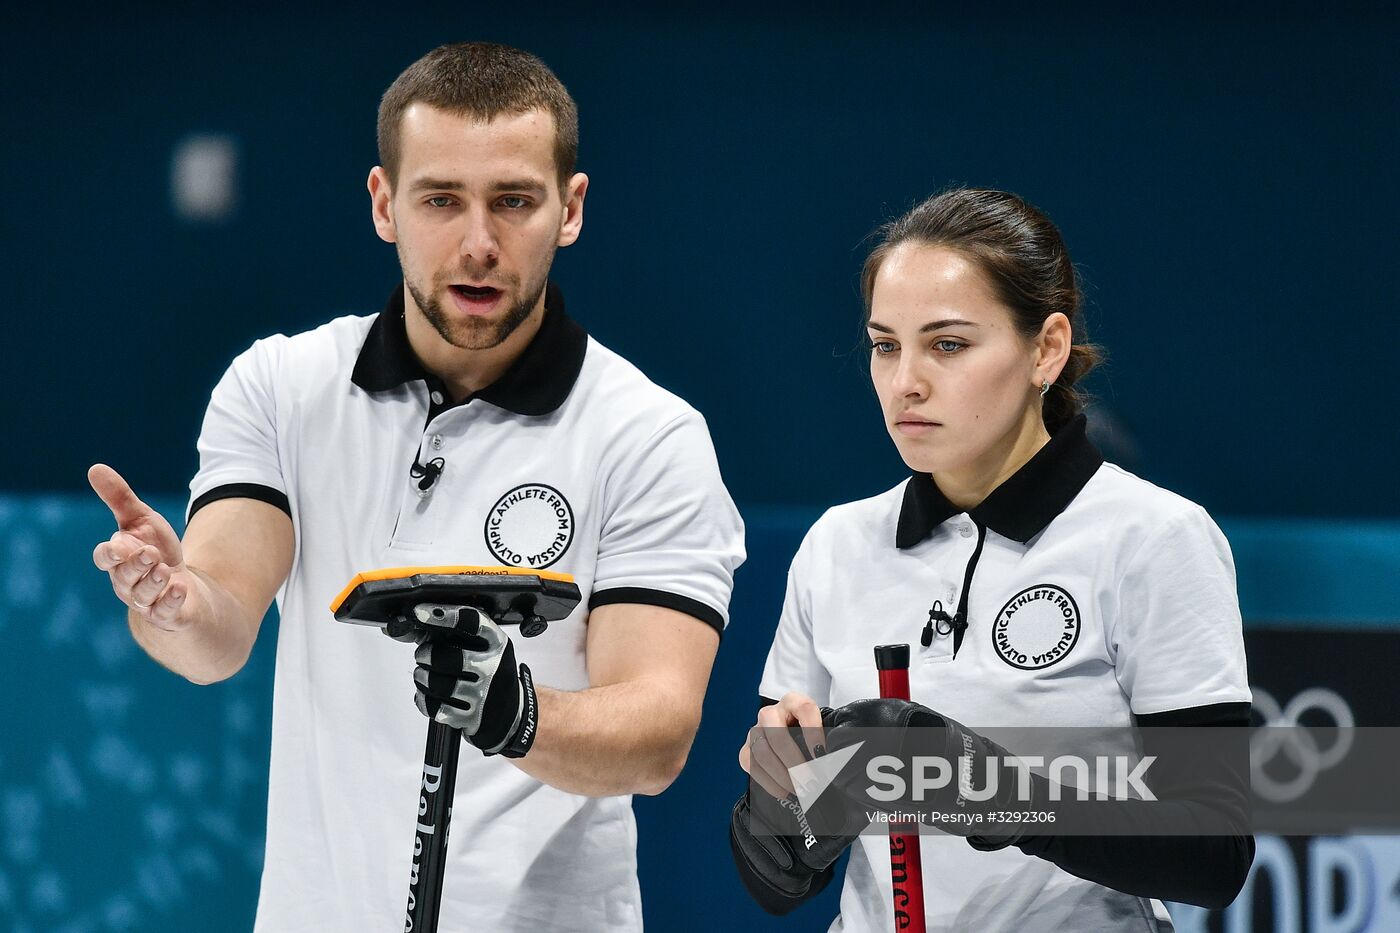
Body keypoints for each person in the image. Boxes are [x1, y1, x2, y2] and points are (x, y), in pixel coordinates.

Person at [88, 42, 744, 932]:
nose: (479, 243)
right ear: (384, 204)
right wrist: (167, 603)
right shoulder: (280, 387)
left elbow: (659, 733)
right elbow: (217, 633)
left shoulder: (649, 435)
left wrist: (513, 715)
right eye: (442, 200)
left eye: (514, 201)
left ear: (570, 209)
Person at [731, 188, 1253, 930]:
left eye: (947, 344)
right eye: (886, 344)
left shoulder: (1154, 536)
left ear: (1047, 349)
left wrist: (986, 788)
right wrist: (779, 816)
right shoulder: (836, 544)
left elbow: (1214, 853)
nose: (905, 380)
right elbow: (778, 883)